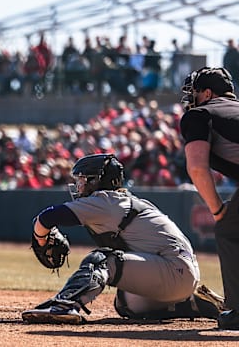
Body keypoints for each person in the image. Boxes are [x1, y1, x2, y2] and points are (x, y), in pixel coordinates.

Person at [21, 153, 225, 324]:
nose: (79, 186)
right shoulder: (120, 201)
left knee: (103, 260)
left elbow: (47, 217)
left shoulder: (106, 201)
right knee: (127, 303)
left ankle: (64, 306)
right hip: (180, 272)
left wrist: (40, 240)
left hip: (173, 268)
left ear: (98, 180)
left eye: (83, 180)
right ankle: (190, 303)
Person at [179, 66, 239, 330]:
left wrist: (217, 211)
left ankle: (237, 309)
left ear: (207, 93)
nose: (190, 99)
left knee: (228, 229)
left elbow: (196, 167)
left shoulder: (201, 113)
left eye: (194, 93)